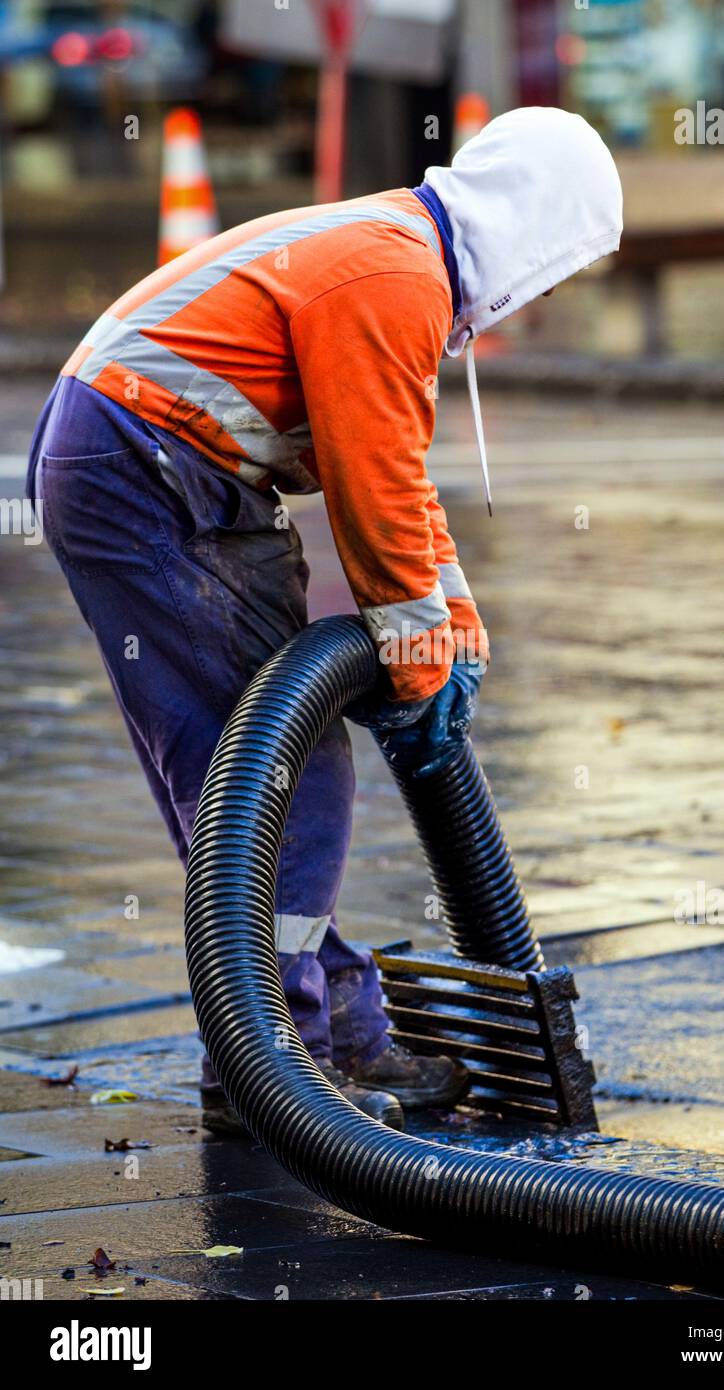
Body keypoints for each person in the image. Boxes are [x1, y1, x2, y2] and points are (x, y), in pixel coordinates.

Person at [27, 106, 622, 1135]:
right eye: (556, 268)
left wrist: (451, 623)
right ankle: (274, 1064)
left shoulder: (396, 256)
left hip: (147, 460)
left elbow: (393, 475)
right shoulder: (391, 276)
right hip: (148, 466)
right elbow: (374, 485)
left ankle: (333, 1025)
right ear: (533, 227)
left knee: (252, 776)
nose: (545, 295)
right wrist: (418, 654)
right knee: (272, 772)